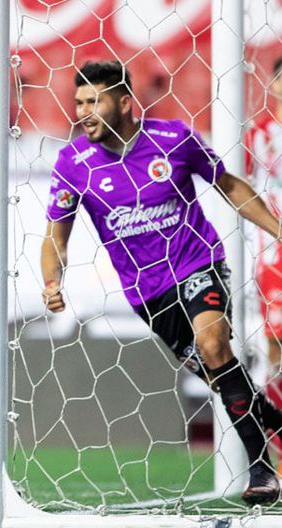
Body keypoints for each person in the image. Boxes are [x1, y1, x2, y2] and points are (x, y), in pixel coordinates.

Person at [42, 60, 282, 505]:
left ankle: (262, 468)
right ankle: (276, 421)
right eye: (78, 103)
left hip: (197, 263)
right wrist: (51, 281)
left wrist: (278, 230)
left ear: (124, 102)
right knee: (220, 377)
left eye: (94, 101)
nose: (83, 112)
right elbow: (56, 235)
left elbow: (229, 185)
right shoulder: (73, 163)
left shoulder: (174, 139)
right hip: (147, 292)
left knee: (214, 345)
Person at [245, 55, 282, 463]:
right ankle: (279, 448)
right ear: (271, 84)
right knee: (276, 352)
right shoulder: (257, 135)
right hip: (274, 260)